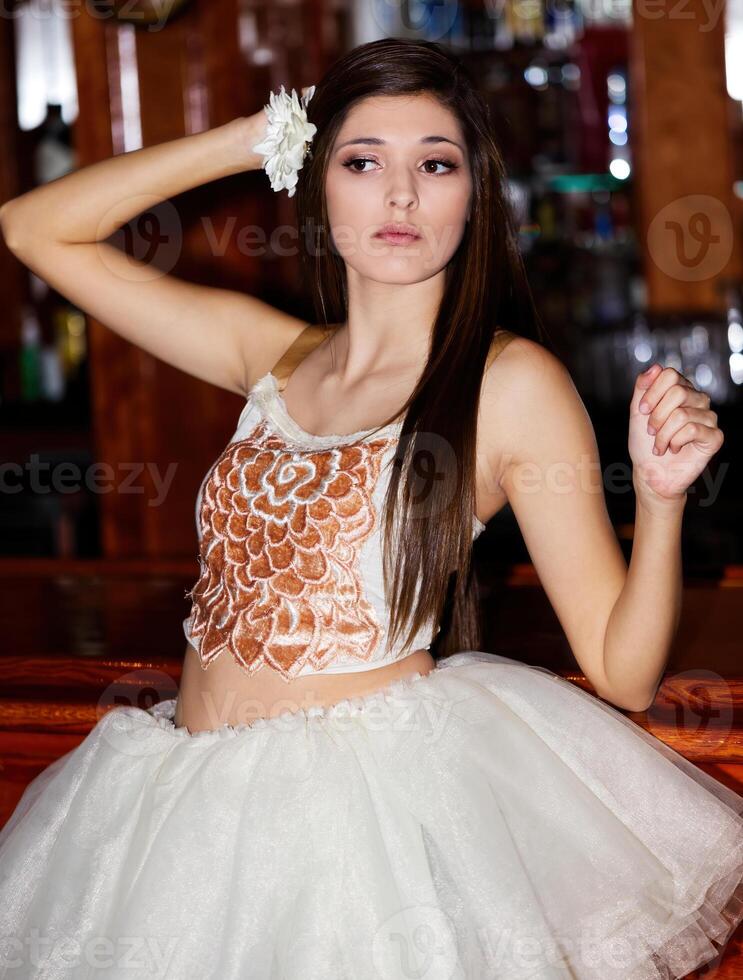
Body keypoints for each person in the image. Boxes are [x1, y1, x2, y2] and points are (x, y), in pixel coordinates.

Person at [0, 35, 741, 980]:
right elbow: (34, 229)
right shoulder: (270, 355)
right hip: (176, 815)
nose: (399, 197)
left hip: (357, 840)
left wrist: (664, 501)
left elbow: (623, 672)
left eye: (434, 165)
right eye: (362, 163)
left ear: (473, 196)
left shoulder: (508, 384)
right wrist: (244, 139)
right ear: (318, 186)